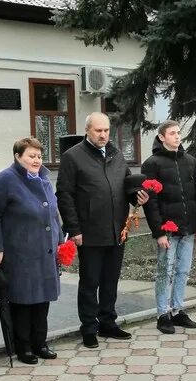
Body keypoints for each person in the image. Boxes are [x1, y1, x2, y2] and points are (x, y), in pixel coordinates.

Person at [56, 112, 149, 348]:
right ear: (88, 130)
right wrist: (74, 228)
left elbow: (127, 185)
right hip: (89, 231)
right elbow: (65, 195)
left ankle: (108, 321)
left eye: (106, 130)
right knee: (90, 282)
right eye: (98, 131)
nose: (104, 135)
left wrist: (137, 196)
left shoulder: (117, 155)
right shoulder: (73, 157)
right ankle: (89, 327)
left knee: (111, 280)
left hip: (117, 229)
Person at [0, 137, 62, 365]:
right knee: (23, 301)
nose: (36, 160)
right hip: (19, 251)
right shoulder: (6, 180)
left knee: (42, 300)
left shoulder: (43, 178)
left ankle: (40, 343)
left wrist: (60, 241)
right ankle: (24, 347)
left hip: (45, 250)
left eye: (39, 156)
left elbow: (53, 212)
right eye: (31, 156)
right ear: (17, 156)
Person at [141, 120, 196, 334]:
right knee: (165, 271)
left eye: (179, 133)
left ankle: (178, 309)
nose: (177, 137)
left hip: (188, 228)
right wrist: (159, 231)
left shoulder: (189, 161)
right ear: (161, 137)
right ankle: (163, 313)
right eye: (172, 133)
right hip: (168, 230)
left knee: (183, 270)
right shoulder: (152, 163)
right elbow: (151, 202)